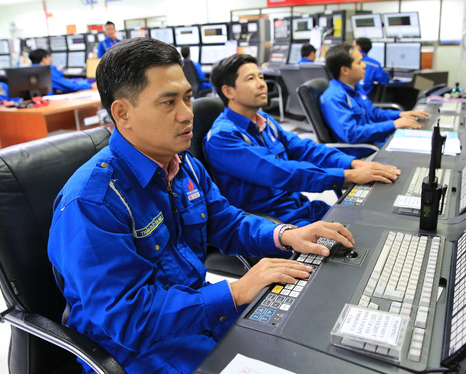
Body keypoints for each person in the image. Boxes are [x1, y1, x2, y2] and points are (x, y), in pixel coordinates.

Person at [47, 37, 355, 373]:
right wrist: (235, 292)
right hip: (139, 349)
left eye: (187, 98)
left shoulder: (182, 164)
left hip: (197, 310)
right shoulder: (93, 202)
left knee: (311, 330)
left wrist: (285, 234)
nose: (187, 114)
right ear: (123, 113)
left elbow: (226, 222)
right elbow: (128, 318)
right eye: (169, 102)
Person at [203, 53, 400, 226]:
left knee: (374, 219)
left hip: (300, 208)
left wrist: (353, 164)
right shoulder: (223, 138)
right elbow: (279, 172)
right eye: (251, 78)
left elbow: (305, 149)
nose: (262, 83)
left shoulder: (264, 120)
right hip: (274, 224)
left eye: (261, 77)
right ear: (228, 91)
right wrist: (346, 176)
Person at [320, 44, 428, 157]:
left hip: (376, 142)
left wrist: (400, 114)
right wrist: (393, 124)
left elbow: (374, 113)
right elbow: (351, 134)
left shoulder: (355, 87)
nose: (364, 65)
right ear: (345, 70)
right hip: (364, 152)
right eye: (359, 63)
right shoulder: (334, 97)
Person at [29, 49, 94, 93]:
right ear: (44, 59)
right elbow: (69, 86)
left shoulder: (30, 70)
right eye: (48, 57)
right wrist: (90, 86)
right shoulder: (46, 71)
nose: (50, 60)